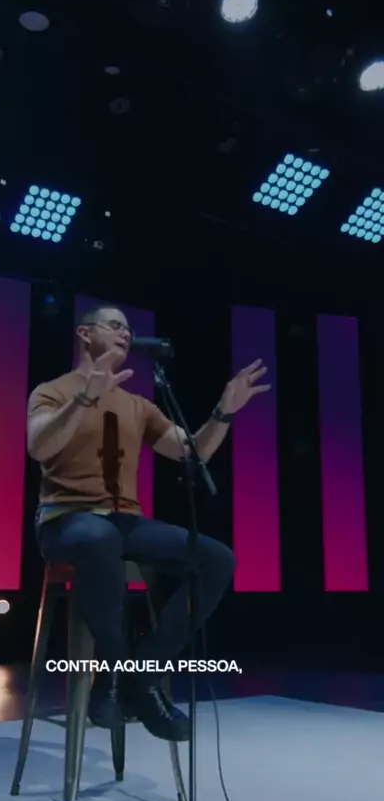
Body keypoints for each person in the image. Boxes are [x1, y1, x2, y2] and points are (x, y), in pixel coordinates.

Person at [27, 304, 270, 742]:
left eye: (128, 328)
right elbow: (40, 447)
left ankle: (141, 675)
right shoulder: (53, 391)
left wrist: (224, 411)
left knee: (216, 559)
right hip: (66, 518)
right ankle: (111, 676)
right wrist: (84, 398)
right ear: (85, 334)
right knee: (98, 537)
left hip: (123, 521)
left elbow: (192, 451)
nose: (125, 333)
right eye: (114, 326)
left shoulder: (137, 405)